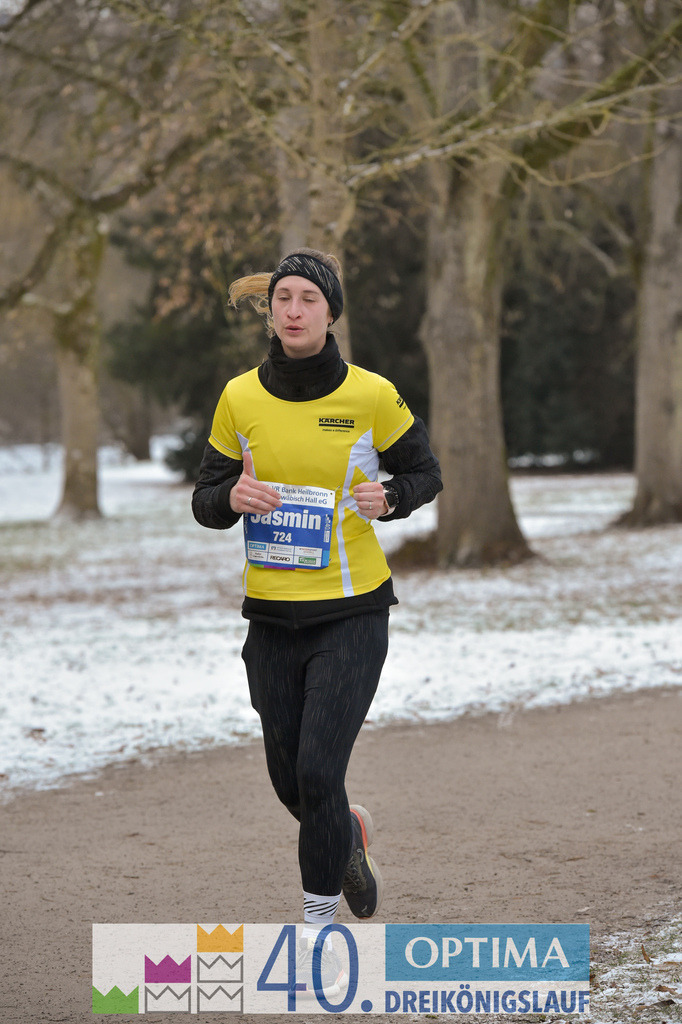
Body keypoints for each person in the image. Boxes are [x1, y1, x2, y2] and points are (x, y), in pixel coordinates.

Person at [192, 247, 442, 996]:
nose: (293, 310)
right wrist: (230, 501)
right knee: (292, 784)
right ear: (269, 312)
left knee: (317, 770)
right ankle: (348, 841)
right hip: (270, 619)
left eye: (307, 298)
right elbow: (206, 498)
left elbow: (425, 473)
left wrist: (389, 499)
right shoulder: (239, 397)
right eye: (282, 298)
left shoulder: (370, 395)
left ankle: (317, 927)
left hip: (352, 612)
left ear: (331, 311)